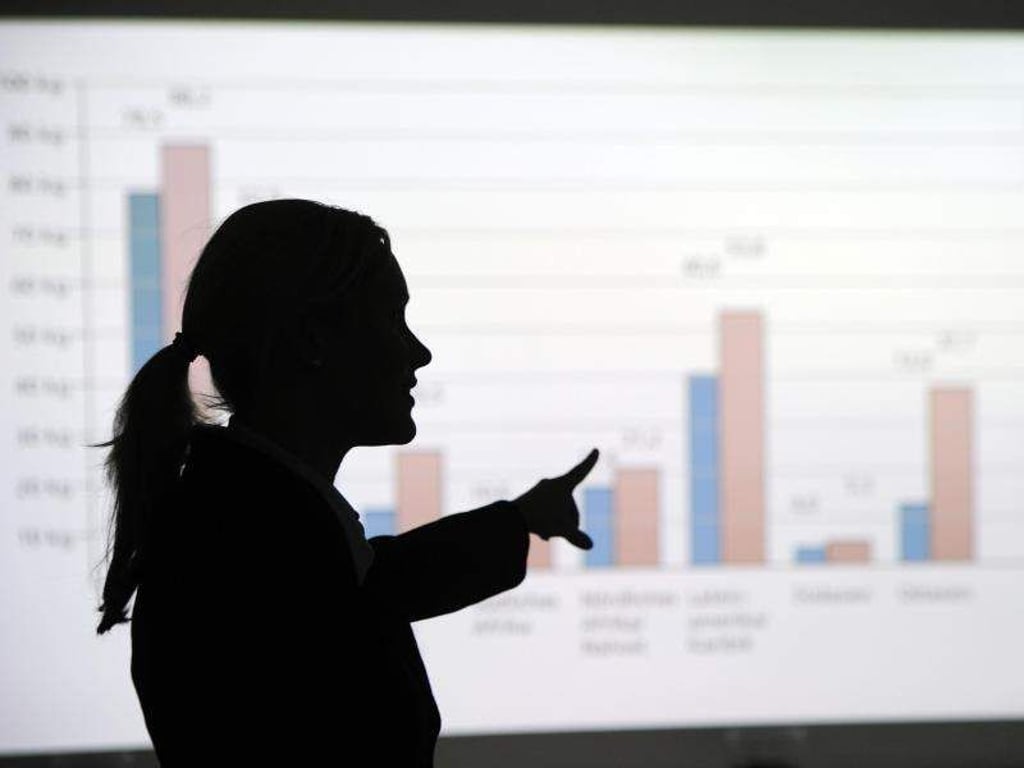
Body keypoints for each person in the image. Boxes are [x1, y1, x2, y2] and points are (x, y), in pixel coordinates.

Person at [94, 199, 599, 765]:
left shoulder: (248, 517)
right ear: (312, 341)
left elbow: (372, 587)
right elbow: (355, 605)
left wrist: (522, 518)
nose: (418, 352)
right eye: (392, 319)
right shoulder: (260, 545)